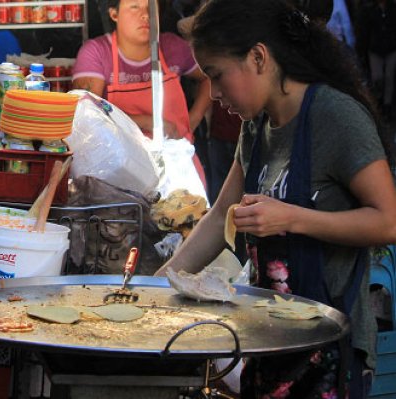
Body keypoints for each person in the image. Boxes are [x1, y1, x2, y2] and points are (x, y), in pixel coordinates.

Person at [155, 0, 396, 396]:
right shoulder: (256, 129)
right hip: (270, 342)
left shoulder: (335, 117)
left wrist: (292, 218)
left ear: (258, 57)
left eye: (217, 76)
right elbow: (220, 218)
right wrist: (156, 289)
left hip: (329, 350)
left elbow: (388, 221)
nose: (213, 93)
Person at [71, 0, 211, 184]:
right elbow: (86, 112)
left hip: (177, 165)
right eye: (134, 7)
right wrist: (146, 122)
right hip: (121, 168)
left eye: (150, 8)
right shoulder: (97, 52)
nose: (146, 15)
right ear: (114, 14)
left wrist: (194, 118)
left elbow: (209, 77)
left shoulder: (172, 47)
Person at [358, 0, 396, 120]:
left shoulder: (393, 8)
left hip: (391, 48)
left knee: (390, 76)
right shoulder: (369, 9)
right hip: (375, 49)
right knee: (377, 77)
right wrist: (363, 50)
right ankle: (379, 102)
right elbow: (365, 31)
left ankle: (387, 106)